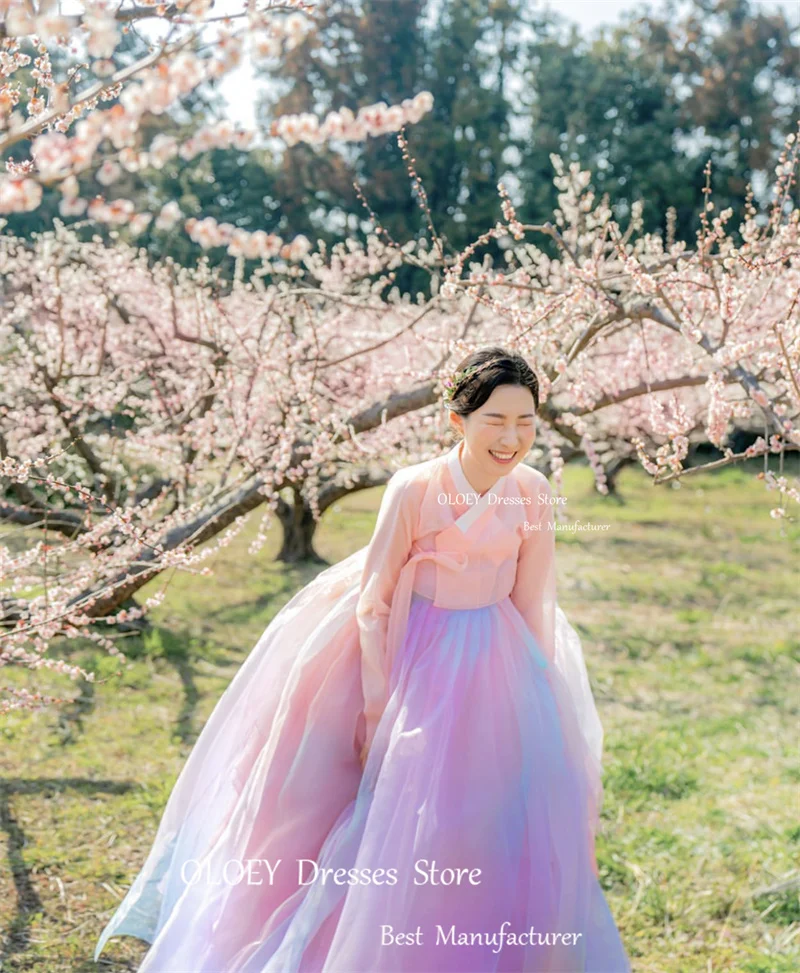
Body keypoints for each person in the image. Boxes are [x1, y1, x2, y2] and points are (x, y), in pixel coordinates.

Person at [94, 346, 631, 972]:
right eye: (495, 420)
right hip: (409, 646)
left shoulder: (531, 492)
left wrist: (540, 691)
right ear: (458, 421)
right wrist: (380, 704)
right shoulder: (415, 489)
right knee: (373, 804)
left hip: (492, 653)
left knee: (485, 810)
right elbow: (374, 602)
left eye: (525, 422)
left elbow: (535, 597)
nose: (511, 437)